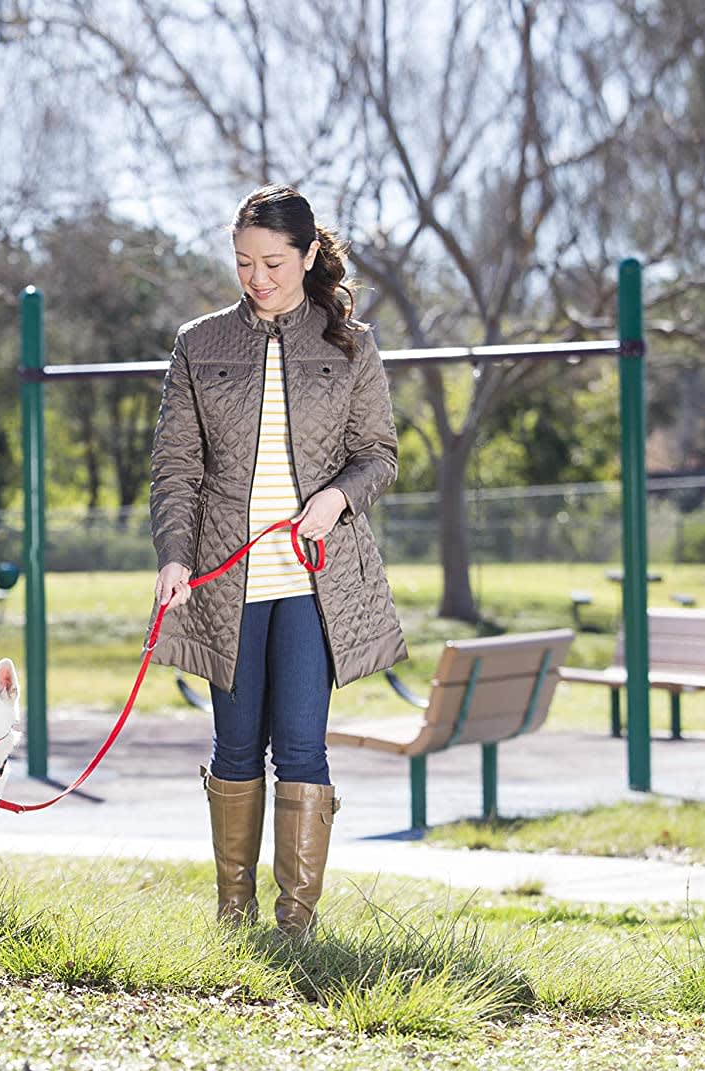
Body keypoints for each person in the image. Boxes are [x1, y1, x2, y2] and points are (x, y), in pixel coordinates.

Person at [148, 183, 407, 937]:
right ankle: (236, 913)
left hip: (312, 581)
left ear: (308, 255)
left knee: (300, 743)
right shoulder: (199, 344)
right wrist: (173, 556)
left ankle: (296, 921)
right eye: (242, 262)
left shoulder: (349, 343)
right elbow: (175, 469)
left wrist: (334, 501)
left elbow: (378, 455)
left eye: (272, 262)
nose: (257, 277)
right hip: (226, 582)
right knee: (234, 743)